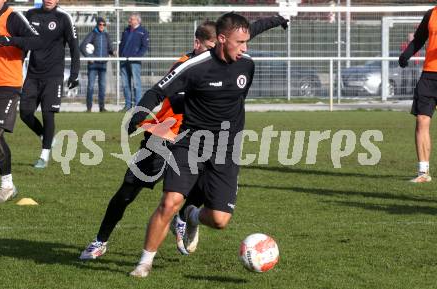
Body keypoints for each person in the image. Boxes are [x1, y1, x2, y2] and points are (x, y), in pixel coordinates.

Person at [79, 15, 288, 260]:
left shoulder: (230, 57)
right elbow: (165, 96)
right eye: (208, 47)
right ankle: (100, 240)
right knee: (128, 192)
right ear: (199, 43)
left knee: (204, 188)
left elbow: (249, 30)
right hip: (163, 136)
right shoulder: (189, 65)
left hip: (198, 142)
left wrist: (276, 20)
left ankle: (184, 217)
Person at [129, 12, 254, 278]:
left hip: (225, 149)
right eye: (240, 42)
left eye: (247, 42)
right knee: (169, 201)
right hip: (190, 143)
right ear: (221, 39)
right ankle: (144, 263)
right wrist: (139, 114)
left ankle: (192, 216)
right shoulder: (195, 66)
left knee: (220, 220)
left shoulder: (247, 65)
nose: (245, 48)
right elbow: (157, 91)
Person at [20, 0, 80, 169]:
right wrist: (17, 65)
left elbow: (74, 48)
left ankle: (44, 156)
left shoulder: (63, 17)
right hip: (32, 74)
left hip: (53, 76)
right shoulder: (30, 15)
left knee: (48, 114)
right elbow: (24, 44)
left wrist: (74, 74)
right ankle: (45, 136)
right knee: (25, 113)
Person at [0, 0, 44, 203]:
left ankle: (7, 186)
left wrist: (8, 40)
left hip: (7, 85)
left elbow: (37, 41)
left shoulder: (12, 17)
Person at [399, 7, 437, 183]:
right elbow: (420, 38)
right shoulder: (431, 14)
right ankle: (423, 172)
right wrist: (406, 54)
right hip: (429, 76)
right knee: (421, 120)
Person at [80, 17, 115, 112]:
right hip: (93, 65)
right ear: (97, 24)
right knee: (90, 86)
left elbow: (110, 48)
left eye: (104, 25)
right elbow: (82, 46)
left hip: (103, 64)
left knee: (102, 86)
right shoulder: (92, 34)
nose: (102, 26)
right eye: (100, 24)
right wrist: (89, 57)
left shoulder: (107, 35)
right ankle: (89, 108)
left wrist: (113, 52)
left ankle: (102, 107)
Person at [119, 13, 149, 111]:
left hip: (135, 62)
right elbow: (122, 44)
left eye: (131, 19)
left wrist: (136, 56)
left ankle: (137, 106)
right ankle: (128, 105)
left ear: (137, 20)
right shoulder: (126, 30)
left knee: (136, 84)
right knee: (125, 84)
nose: (129, 20)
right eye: (130, 19)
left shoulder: (143, 31)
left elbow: (144, 47)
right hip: (124, 60)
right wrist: (120, 55)